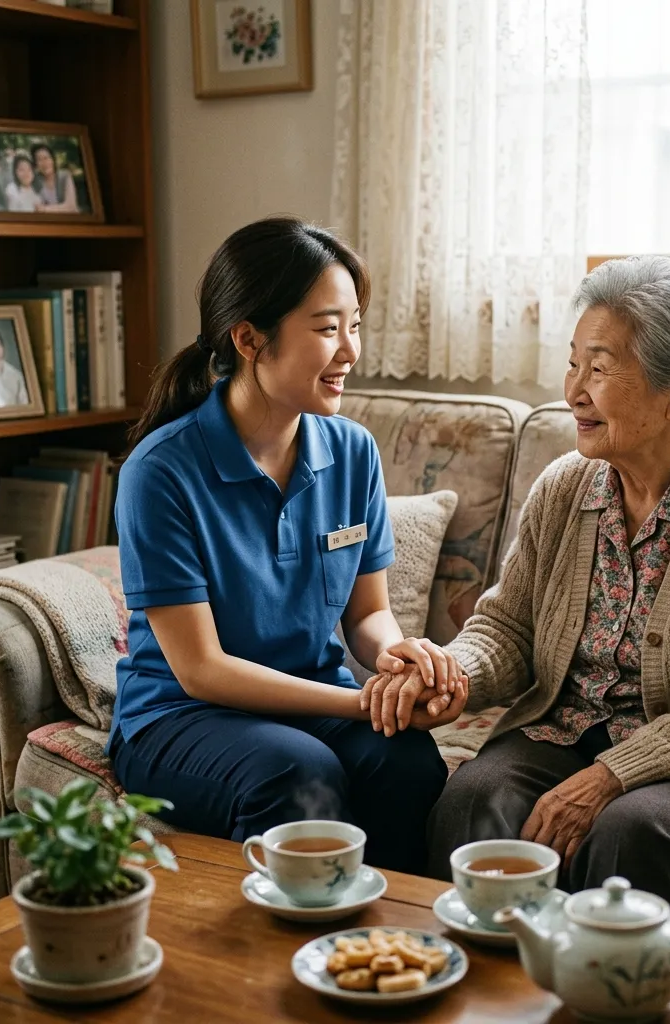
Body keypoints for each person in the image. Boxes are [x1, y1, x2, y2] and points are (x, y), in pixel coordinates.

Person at [363, 255, 670, 909]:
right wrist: (453, 676)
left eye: (600, 369)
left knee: (630, 834)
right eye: (573, 364)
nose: (574, 392)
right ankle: (485, 976)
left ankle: (612, 977)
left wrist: (611, 777)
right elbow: (509, 627)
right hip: (573, 726)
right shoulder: (565, 486)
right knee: (472, 802)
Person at [107, 217, 467, 874]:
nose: (351, 350)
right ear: (249, 339)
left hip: (308, 698)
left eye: (355, 325)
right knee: (299, 773)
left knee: (407, 762)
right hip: (181, 716)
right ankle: (278, 941)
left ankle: (387, 934)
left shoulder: (353, 452)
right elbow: (202, 669)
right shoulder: (160, 473)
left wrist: (399, 663)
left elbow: (367, 615)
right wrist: (360, 702)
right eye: (328, 329)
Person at [31, 143, 79, 212]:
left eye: (46, 158)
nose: (44, 163)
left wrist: (45, 209)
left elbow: (71, 206)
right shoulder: (36, 180)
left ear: (53, 159)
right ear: (36, 164)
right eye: (39, 160)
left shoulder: (65, 175)